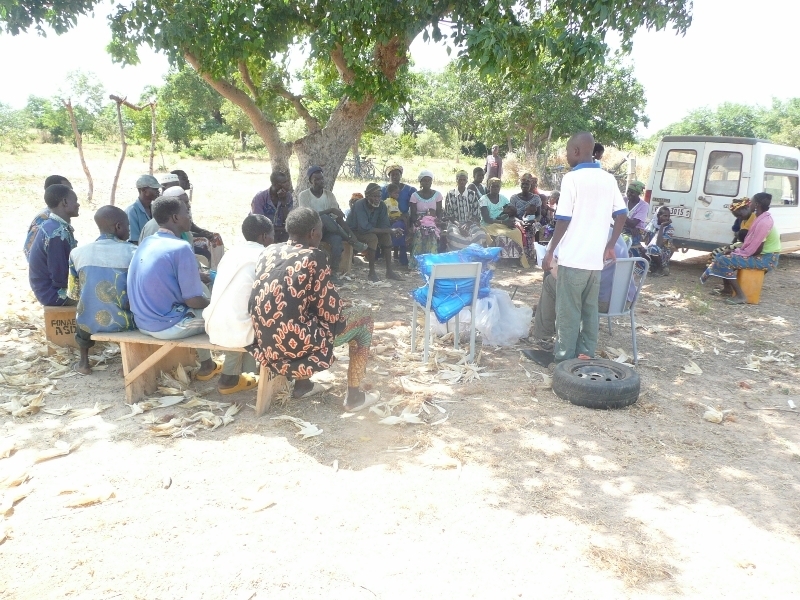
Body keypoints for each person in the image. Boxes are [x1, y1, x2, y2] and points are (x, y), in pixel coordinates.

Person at [248, 207, 380, 411]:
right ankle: (354, 396)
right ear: (312, 233)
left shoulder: (269, 251)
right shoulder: (313, 256)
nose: (320, 235)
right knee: (365, 318)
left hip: (265, 342)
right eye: (320, 230)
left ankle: (303, 386)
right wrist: (343, 305)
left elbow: (290, 297)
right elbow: (330, 313)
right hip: (293, 344)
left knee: (299, 315)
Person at [542, 131, 628, 363]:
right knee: (590, 312)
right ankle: (586, 354)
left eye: (567, 151)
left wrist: (550, 251)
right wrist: (610, 245)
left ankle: (564, 360)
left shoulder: (571, 178)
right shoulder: (608, 179)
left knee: (568, 313)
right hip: (595, 263)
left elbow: (563, 219)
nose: (566, 156)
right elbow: (622, 214)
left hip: (573, 259)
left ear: (577, 151)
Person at [127, 196, 218, 380]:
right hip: (167, 325)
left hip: (142, 321)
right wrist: (214, 304)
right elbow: (193, 300)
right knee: (226, 317)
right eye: (187, 212)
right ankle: (232, 376)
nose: (190, 216)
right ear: (175, 218)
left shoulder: (147, 242)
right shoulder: (181, 247)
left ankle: (208, 363)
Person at [205, 215, 275, 395]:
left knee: (242, 312)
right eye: (272, 235)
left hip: (214, 324)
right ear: (264, 236)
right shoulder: (266, 255)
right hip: (236, 330)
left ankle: (242, 373)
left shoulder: (231, 253)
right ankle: (229, 380)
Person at [533, 229, 632, 352]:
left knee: (550, 282)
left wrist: (551, 259)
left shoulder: (579, 234)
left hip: (597, 301)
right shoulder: (614, 233)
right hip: (624, 301)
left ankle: (543, 336)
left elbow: (563, 277)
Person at [67, 206, 136, 375]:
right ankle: (130, 363)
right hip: (126, 322)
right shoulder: (133, 252)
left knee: (83, 312)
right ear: (118, 226)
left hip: (89, 323)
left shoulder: (77, 253)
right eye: (127, 226)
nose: (129, 230)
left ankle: (84, 363)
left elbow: (74, 293)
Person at [701, 192, 781, 304]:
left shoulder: (764, 222)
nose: (749, 204)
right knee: (722, 255)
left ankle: (741, 296)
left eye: (751, 202)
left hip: (767, 259)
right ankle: (727, 289)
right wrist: (735, 251)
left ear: (757, 204)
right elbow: (752, 245)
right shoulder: (761, 218)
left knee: (724, 260)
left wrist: (737, 252)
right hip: (762, 255)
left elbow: (756, 250)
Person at [297, 166, 367, 279]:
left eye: (321, 178)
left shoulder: (329, 195)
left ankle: (333, 272)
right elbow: (308, 215)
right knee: (324, 217)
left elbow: (338, 218)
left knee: (337, 241)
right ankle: (351, 241)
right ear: (310, 181)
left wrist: (351, 234)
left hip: (329, 229)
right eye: (316, 179)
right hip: (311, 230)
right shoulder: (304, 195)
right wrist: (329, 210)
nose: (320, 181)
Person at [28, 184, 80, 306]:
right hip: (53, 293)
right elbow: (60, 278)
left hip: (48, 290)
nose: (78, 204)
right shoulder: (57, 233)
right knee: (99, 296)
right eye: (75, 200)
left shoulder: (53, 225)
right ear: (65, 202)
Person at [346, 183, 404, 281]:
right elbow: (364, 228)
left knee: (386, 237)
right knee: (372, 238)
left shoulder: (382, 205)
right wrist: (390, 230)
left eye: (379, 196)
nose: (377, 199)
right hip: (354, 232)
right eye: (374, 196)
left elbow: (385, 225)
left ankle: (389, 271)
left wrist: (389, 231)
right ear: (367, 196)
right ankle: (371, 272)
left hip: (371, 230)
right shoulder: (359, 204)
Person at [479, 178, 529, 268]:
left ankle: (514, 259)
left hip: (502, 224)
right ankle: (501, 260)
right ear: (488, 187)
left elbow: (512, 212)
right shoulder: (483, 199)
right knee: (502, 235)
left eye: (497, 186)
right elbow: (487, 219)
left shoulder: (503, 199)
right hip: (488, 225)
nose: (495, 188)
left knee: (516, 232)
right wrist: (504, 222)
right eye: (493, 186)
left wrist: (517, 221)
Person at [24, 175, 72, 261]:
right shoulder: (44, 218)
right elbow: (30, 251)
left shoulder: (60, 217)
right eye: (67, 190)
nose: (72, 194)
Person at [444, 170, 486, 250]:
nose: (462, 182)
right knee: (454, 235)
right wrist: (459, 225)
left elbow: (476, 213)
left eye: (464, 180)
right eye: (460, 179)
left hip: (469, 223)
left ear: (467, 181)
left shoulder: (472, 194)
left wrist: (467, 224)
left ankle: (472, 253)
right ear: (456, 180)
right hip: (455, 224)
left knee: (480, 234)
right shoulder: (450, 194)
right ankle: (461, 254)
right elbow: (449, 214)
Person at [381, 165, 415, 266]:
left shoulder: (409, 190)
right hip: (387, 216)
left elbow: (413, 205)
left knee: (399, 226)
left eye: (397, 174)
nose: (395, 177)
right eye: (392, 175)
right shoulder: (384, 190)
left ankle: (402, 254)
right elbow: (381, 205)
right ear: (389, 176)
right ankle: (388, 254)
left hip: (403, 217)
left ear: (401, 175)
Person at [409, 170, 444, 267]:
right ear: (420, 182)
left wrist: (438, 220)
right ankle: (416, 264)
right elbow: (413, 214)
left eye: (429, 180)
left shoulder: (437, 195)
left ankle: (431, 263)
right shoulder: (415, 196)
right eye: (424, 180)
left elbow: (439, 212)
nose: (427, 182)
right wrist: (417, 222)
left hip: (433, 222)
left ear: (432, 182)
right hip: (420, 221)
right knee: (420, 234)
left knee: (432, 234)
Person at [251, 171, 293, 243]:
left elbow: (288, 220)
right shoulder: (260, 197)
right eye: (284, 182)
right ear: (276, 185)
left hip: (281, 232)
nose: (288, 184)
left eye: (287, 181)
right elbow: (258, 221)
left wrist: (283, 202)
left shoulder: (288, 196)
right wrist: (273, 231)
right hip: (264, 233)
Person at [126, 175, 161, 244]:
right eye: (155, 189)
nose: (158, 192)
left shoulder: (155, 209)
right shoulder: (132, 211)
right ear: (144, 190)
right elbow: (134, 240)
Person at [642, 206, 675, 277]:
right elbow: (644, 240)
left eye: (668, 216)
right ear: (658, 216)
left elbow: (659, 244)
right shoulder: (651, 225)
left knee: (653, 249)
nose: (667, 218)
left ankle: (661, 267)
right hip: (651, 251)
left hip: (663, 252)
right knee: (638, 248)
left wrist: (662, 226)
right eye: (665, 216)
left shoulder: (669, 228)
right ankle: (652, 266)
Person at [623, 181, 649, 255]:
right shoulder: (623, 200)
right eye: (628, 191)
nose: (629, 194)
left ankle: (639, 252)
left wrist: (620, 215)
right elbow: (613, 215)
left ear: (638, 193)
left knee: (624, 241)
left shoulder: (644, 205)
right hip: (624, 228)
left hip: (637, 231)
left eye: (632, 192)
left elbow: (633, 224)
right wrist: (630, 225)